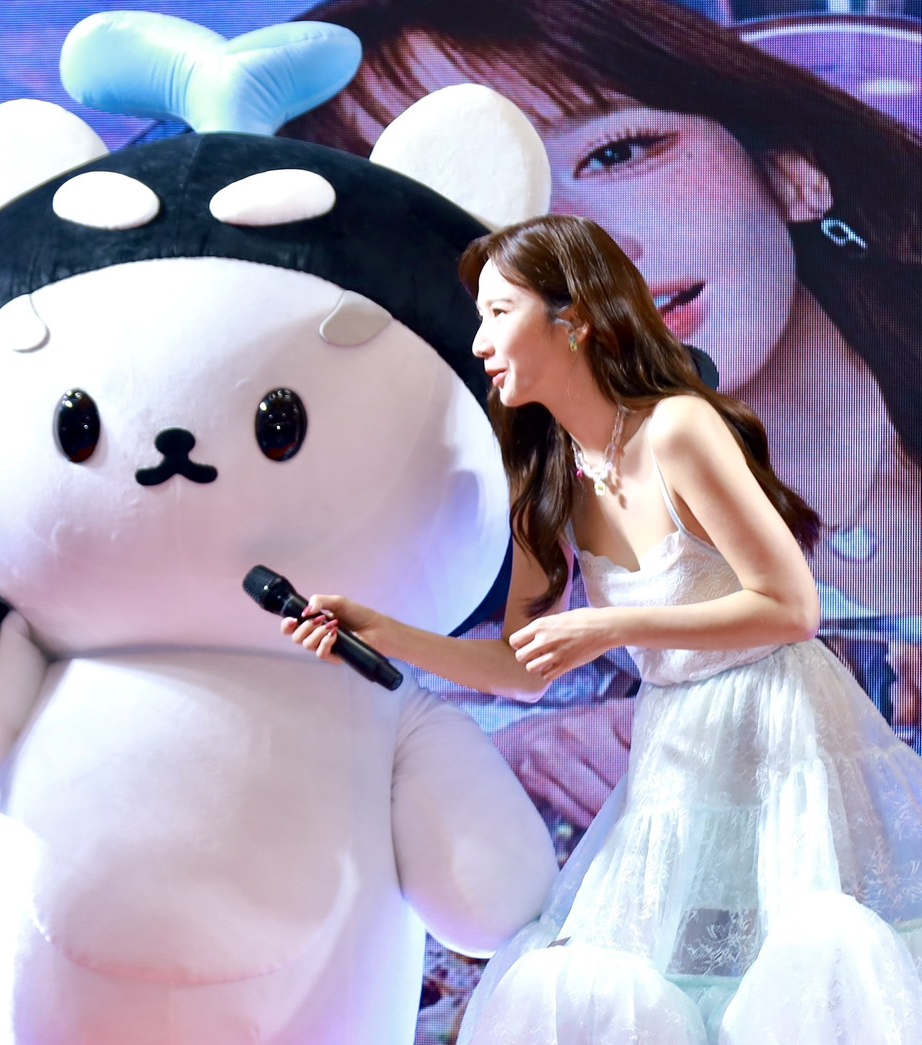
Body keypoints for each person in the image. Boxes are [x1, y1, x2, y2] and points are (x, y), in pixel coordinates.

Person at [284, 0, 922, 835]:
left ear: (790, 166)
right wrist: (487, 747)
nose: (592, 257)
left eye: (618, 152)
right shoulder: (528, 507)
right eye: (483, 219)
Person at [283, 213, 922, 1041]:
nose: (478, 341)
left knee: (804, 972)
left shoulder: (678, 428)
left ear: (574, 318)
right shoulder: (548, 475)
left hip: (775, 727)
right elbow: (523, 668)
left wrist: (609, 624)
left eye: (498, 312)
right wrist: (383, 631)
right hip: (675, 754)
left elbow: (790, 607)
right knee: (645, 983)